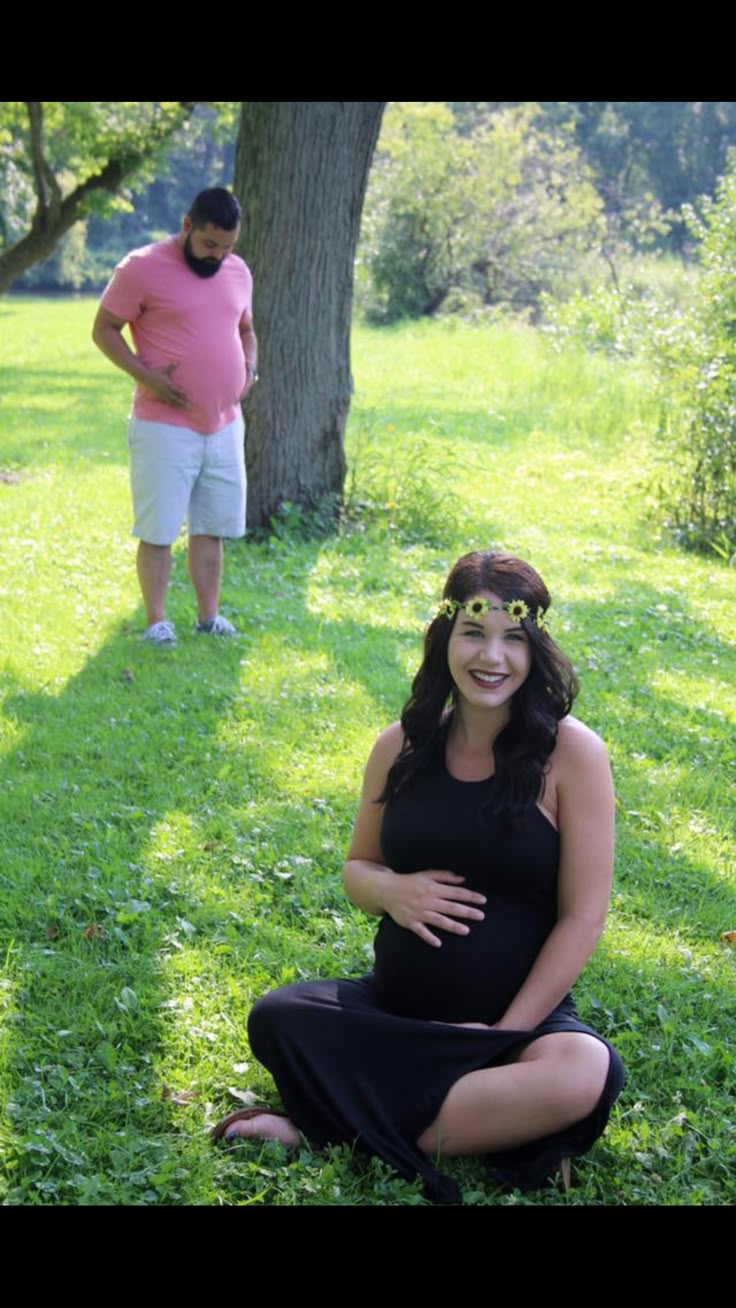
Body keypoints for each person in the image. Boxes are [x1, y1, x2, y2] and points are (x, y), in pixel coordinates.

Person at [213, 550, 625, 1201]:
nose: (492, 657)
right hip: (397, 1016)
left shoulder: (574, 755)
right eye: (474, 633)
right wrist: (389, 890)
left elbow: (584, 916)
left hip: (519, 1030)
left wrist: (503, 1036)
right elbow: (357, 868)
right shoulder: (399, 746)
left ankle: (329, 1127)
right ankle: (481, 1124)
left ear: (535, 648)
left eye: (513, 639)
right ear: (444, 637)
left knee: (583, 1070)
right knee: (278, 1016)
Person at [92, 187, 257, 645]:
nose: (218, 255)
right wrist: (145, 376)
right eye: (209, 245)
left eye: (227, 247)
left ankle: (208, 617)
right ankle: (156, 622)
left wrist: (251, 366)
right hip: (163, 423)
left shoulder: (238, 271)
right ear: (187, 226)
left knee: (212, 527)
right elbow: (103, 329)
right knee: (160, 528)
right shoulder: (141, 267)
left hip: (224, 423)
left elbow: (246, 330)